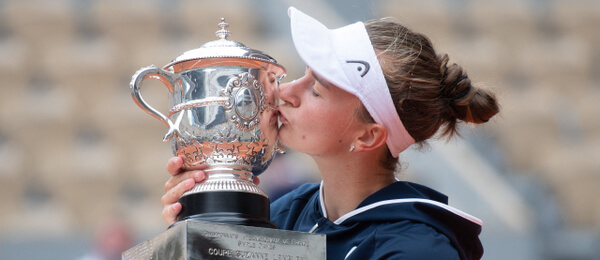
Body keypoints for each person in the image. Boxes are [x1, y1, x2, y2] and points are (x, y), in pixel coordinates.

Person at [161, 7, 499, 260]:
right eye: (304, 74)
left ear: (368, 136)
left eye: (316, 90)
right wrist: (195, 226)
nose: (287, 91)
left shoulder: (418, 250)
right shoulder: (281, 213)